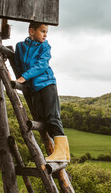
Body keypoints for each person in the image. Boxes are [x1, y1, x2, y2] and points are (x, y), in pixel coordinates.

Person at [14, 22, 70, 162]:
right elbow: (18, 65)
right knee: (41, 119)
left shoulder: (45, 46)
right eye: (43, 31)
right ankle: (61, 152)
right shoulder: (20, 46)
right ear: (32, 31)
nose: (45, 34)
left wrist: (24, 77)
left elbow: (42, 65)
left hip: (46, 83)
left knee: (53, 116)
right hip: (34, 89)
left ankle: (62, 152)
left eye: (47, 32)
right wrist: (19, 79)